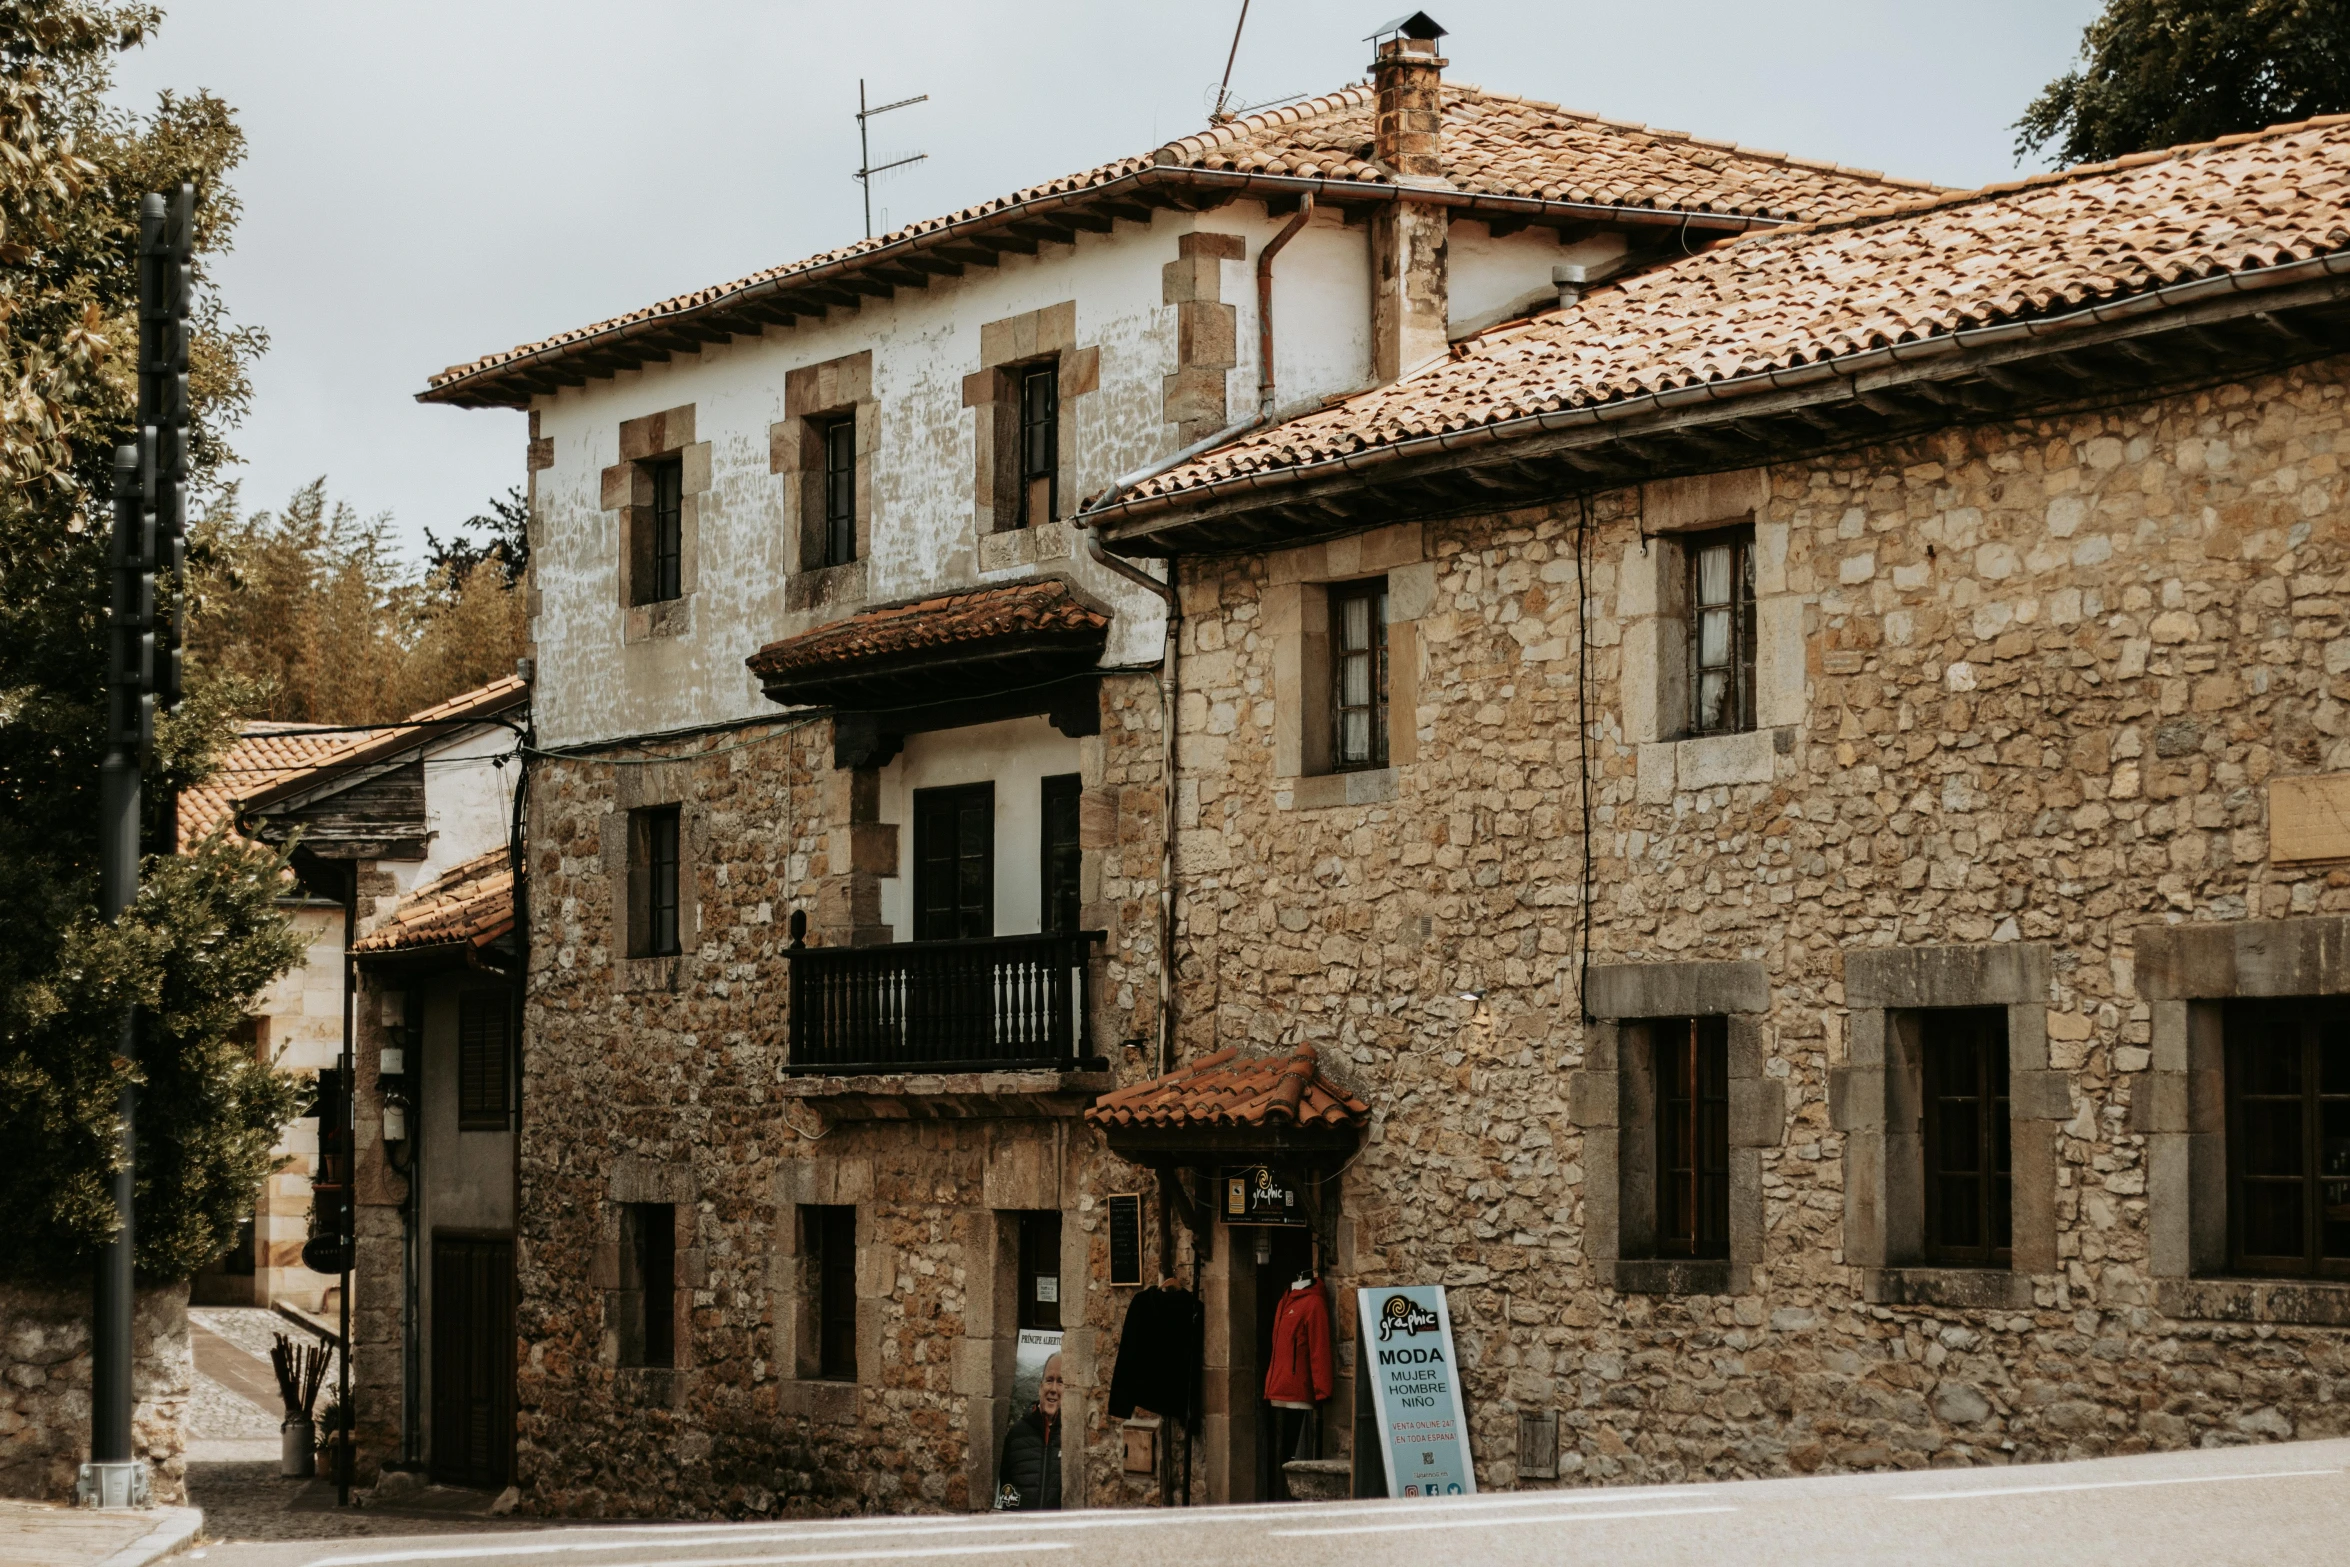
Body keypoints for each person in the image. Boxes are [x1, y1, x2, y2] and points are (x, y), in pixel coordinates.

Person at [996, 1353, 1062, 1510]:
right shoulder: (1016, 1435)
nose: (1053, 1389)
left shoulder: (1074, 1439)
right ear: (1040, 1387)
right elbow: (1005, 1493)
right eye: (1049, 1380)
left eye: (1060, 1382)